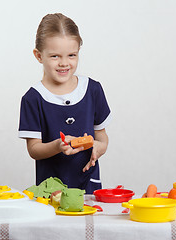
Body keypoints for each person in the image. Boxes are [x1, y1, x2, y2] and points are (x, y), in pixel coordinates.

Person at [18, 13, 111, 194]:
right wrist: (57, 146)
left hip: (89, 187)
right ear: (39, 55)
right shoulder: (33, 98)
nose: (64, 63)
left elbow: (102, 137)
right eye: (55, 56)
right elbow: (34, 149)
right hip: (52, 191)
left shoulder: (92, 90)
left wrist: (100, 147)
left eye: (71, 55)